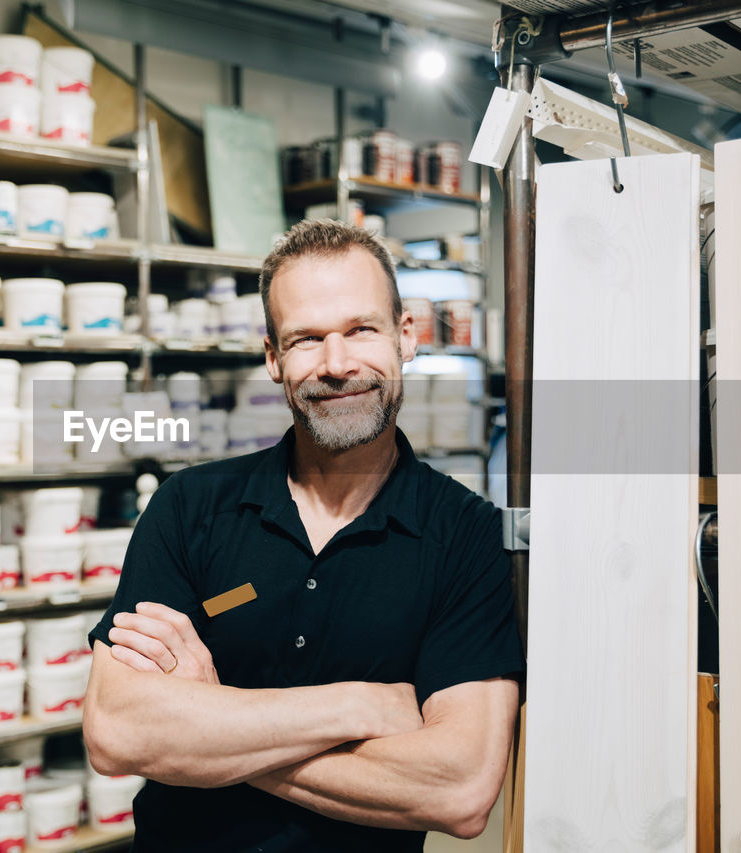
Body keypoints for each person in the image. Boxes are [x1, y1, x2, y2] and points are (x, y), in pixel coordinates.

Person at [82, 219, 524, 852]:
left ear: (406, 338)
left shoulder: (465, 535)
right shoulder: (189, 507)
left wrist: (213, 721)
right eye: (307, 339)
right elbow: (117, 733)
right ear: (273, 358)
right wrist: (360, 707)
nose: (337, 364)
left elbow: (460, 788)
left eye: (361, 330)